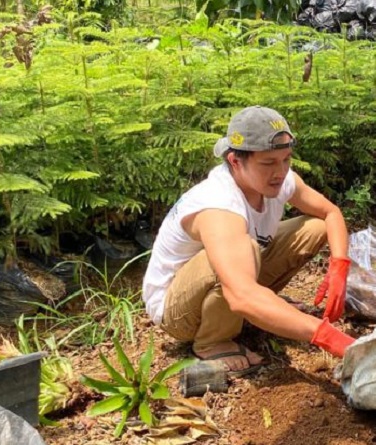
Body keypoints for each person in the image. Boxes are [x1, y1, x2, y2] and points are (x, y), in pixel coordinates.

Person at [142, 106, 355, 375]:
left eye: (286, 159)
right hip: (178, 311)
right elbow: (241, 294)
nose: (280, 171)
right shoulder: (219, 205)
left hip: (236, 276)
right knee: (245, 249)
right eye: (268, 163)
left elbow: (331, 213)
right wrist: (329, 337)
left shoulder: (281, 179)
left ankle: (260, 308)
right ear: (235, 161)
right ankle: (212, 341)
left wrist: (340, 266)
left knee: (314, 227)